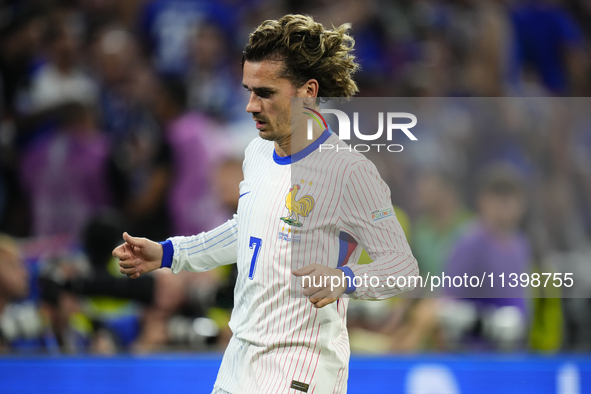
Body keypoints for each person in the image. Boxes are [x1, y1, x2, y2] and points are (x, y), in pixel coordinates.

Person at [114, 14, 418, 393]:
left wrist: (345, 279)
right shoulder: (257, 153)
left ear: (307, 91)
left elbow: (403, 269)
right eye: (248, 90)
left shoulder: (349, 173)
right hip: (239, 360)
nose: (251, 106)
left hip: (300, 367)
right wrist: (170, 252)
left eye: (265, 93)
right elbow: (248, 229)